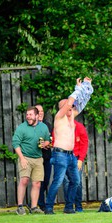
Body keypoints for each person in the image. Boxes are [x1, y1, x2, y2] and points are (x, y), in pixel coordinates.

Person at [45, 77, 93, 214]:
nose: (71, 107)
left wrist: (85, 87)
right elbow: (71, 101)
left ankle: (68, 207)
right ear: (62, 107)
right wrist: (77, 89)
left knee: (75, 181)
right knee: (58, 181)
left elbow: (82, 103)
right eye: (68, 105)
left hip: (71, 155)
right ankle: (49, 208)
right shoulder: (59, 117)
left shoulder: (71, 115)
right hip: (60, 154)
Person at [12, 107, 51, 215]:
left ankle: (34, 207)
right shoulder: (22, 127)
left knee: (37, 183)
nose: (28, 116)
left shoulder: (43, 127)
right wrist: (22, 158)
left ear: (37, 116)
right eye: (27, 114)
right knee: (24, 181)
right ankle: (20, 207)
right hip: (25, 157)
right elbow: (15, 144)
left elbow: (48, 139)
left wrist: (45, 144)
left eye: (30, 115)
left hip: (38, 158)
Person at [61, 119, 88, 212]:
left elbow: (84, 144)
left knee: (78, 182)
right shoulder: (60, 126)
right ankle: (69, 206)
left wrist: (80, 159)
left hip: (76, 158)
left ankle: (78, 206)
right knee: (66, 182)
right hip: (64, 158)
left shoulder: (79, 126)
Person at [35, 104, 53, 211]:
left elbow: (52, 140)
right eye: (38, 111)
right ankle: (41, 204)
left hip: (47, 157)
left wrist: (49, 144)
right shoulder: (32, 126)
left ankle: (39, 202)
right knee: (39, 181)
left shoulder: (48, 125)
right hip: (37, 157)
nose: (41, 113)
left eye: (42, 111)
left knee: (46, 180)